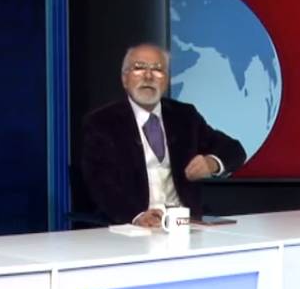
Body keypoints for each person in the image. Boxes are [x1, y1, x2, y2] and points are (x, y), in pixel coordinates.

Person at [81, 44, 247, 227]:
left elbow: (234, 151)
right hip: (133, 225)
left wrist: (212, 162)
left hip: (185, 223)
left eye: (157, 69)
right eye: (139, 68)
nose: (148, 76)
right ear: (124, 79)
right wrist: (136, 216)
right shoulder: (102, 122)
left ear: (166, 80)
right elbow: (100, 183)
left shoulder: (185, 116)